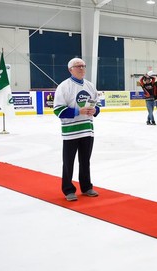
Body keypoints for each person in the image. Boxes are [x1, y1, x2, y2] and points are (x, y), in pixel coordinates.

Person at [53, 58, 100, 201]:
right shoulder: (64, 86)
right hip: (71, 132)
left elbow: (96, 105)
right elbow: (58, 110)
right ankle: (68, 190)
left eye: (83, 66)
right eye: (77, 66)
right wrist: (78, 112)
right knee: (68, 162)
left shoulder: (90, 86)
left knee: (85, 161)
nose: (81, 68)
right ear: (70, 69)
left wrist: (95, 111)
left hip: (87, 130)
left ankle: (86, 187)